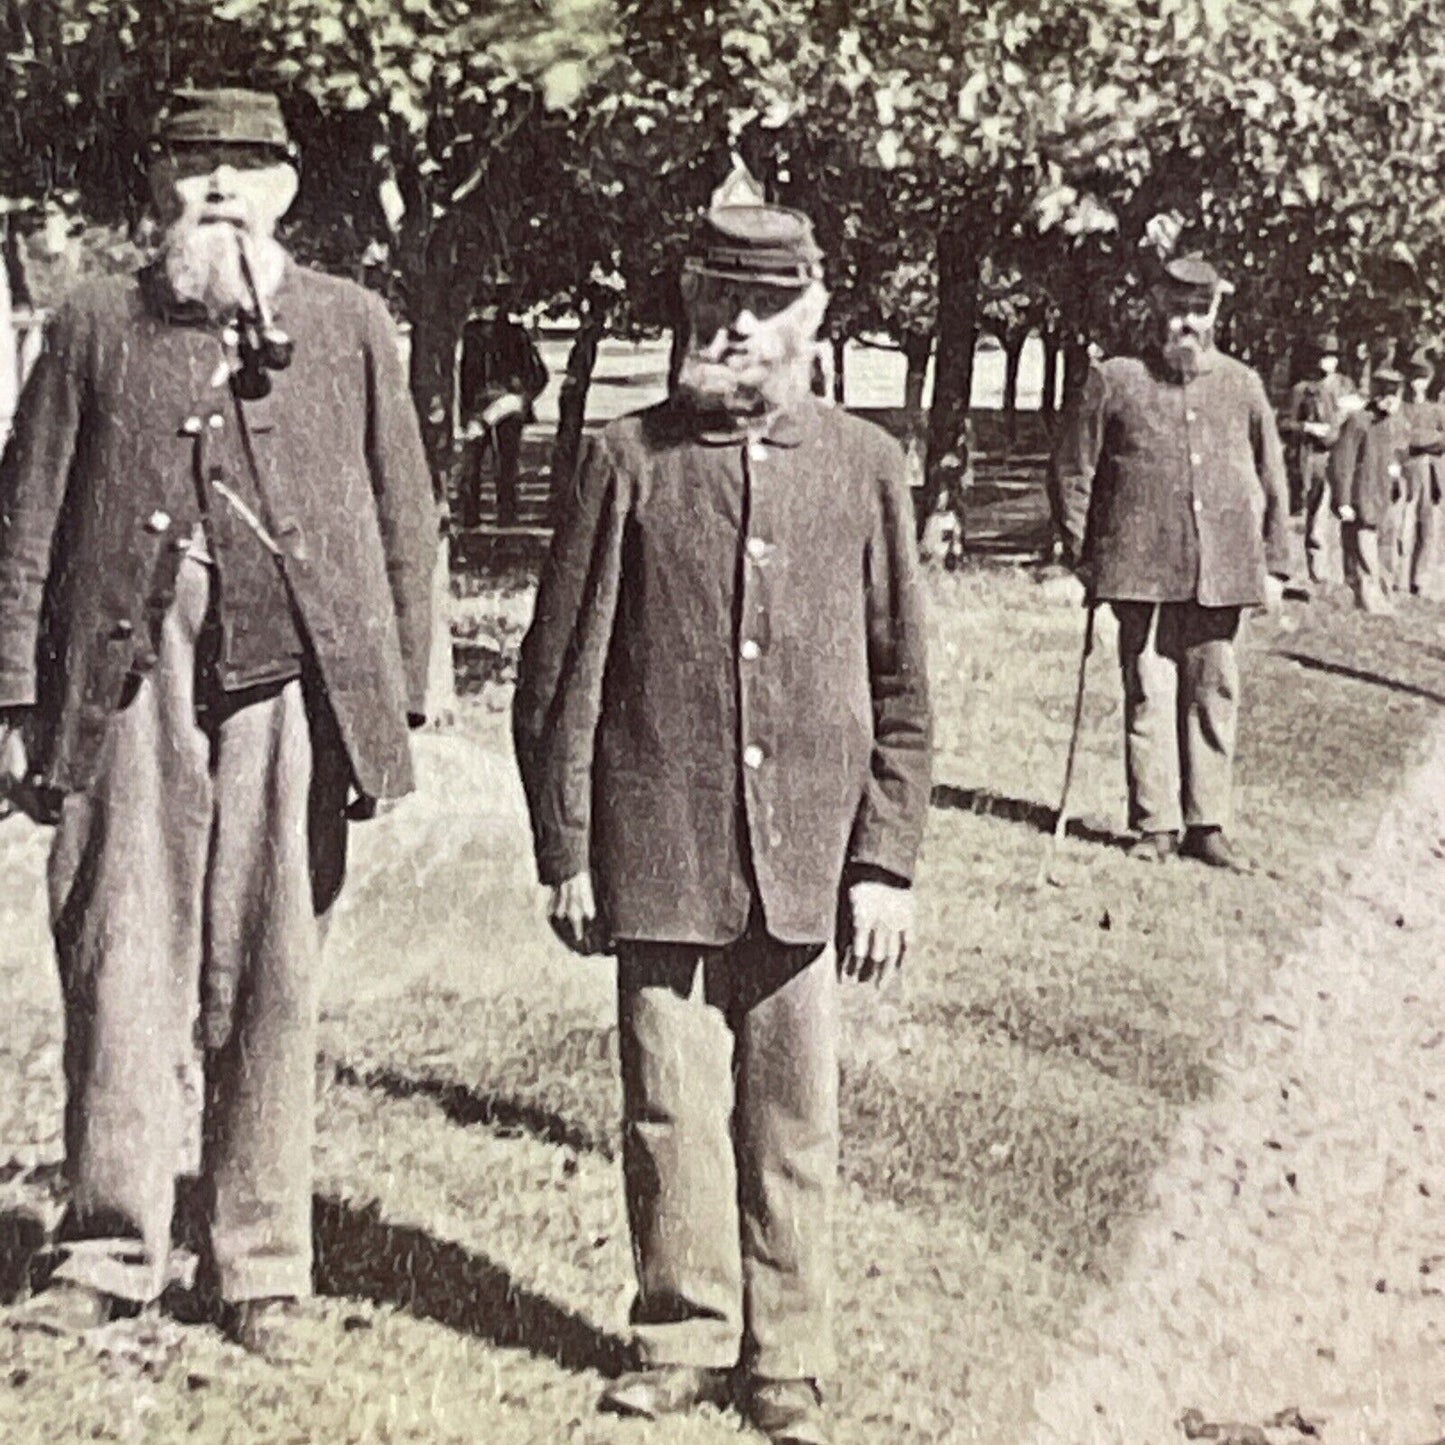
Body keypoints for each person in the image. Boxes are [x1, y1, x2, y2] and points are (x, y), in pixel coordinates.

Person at [0, 89, 435, 1357]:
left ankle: (261, 1267)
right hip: (125, 677)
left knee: (272, 970)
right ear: (157, 185)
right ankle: (106, 1247)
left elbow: (404, 513)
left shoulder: (352, 325)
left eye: (247, 167)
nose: (221, 190)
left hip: (293, 684)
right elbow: (25, 519)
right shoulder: (93, 323)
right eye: (196, 167)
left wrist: (395, 695)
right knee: (118, 950)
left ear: (289, 190)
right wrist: (18, 699)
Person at [512, 202, 931, 1445]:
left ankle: (785, 1352)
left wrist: (883, 861)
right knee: (665, 1101)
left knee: (793, 1111)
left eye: (759, 308)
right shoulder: (623, 457)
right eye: (711, 305)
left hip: (806, 851)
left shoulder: (864, 465)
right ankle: (679, 1331)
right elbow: (559, 671)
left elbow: (901, 682)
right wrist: (569, 845)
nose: (732, 329)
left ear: (811, 317)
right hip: (658, 844)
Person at [1049, 255, 1290, 870]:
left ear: (1215, 313)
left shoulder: (1243, 385)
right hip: (1137, 567)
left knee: (1214, 692)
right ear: (1157, 305)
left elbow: (1273, 478)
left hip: (1222, 569)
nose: (1186, 321)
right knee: (1149, 693)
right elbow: (1073, 471)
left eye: (1198, 309)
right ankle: (1154, 824)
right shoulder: (1115, 378)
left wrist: (1276, 565)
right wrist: (1084, 557)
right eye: (1176, 307)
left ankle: (1207, 825)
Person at [457, 302, 548, 528]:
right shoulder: (473, 334)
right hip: (484, 407)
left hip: (505, 406)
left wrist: (519, 399)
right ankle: (476, 516)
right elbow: (466, 377)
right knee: (477, 464)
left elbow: (539, 375)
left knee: (501, 464)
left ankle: (501, 515)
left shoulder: (515, 335)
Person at [1330, 366, 1408, 615]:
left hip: (1384, 497)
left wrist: (1396, 472)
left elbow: (1396, 454)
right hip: (1361, 498)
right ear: (1377, 396)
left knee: (1384, 550)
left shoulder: (1391, 424)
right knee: (1362, 551)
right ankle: (1368, 600)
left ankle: (1384, 595)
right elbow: (1343, 462)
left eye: (1396, 396)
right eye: (1388, 396)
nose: (1393, 402)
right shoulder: (1358, 421)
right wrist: (1343, 500)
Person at [1279, 331, 1350, 581]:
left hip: (1341, 457)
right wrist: (1307, 427)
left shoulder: (1345, 388)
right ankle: (1305, 569)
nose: (1327, 361)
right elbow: (1284, 424)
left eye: (1332, 356)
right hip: (1311, 457)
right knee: (1306, 512)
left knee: (1336, 511)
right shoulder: (1302, 390)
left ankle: (1335, 570)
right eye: (1322, 356)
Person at [1397, 348, 1445, 597]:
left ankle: (1420, 579)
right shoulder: (1402, 409)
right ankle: (1398, 577)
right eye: (1415, 379)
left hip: (1431, 473)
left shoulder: (1436, 410)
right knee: (1403, 523)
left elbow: (1442, 440)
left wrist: (1422, 442)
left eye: (1423, 379)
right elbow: (1400, 440)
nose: (1419, 384)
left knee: (1428, 527)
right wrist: (1425, 442)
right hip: (1407, 471)